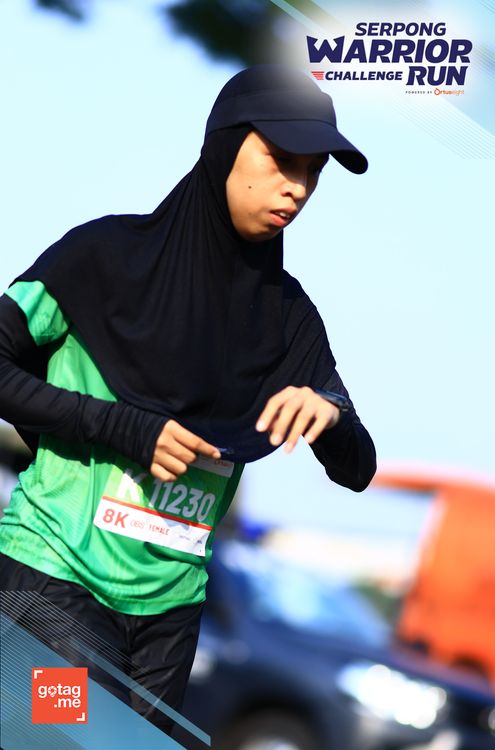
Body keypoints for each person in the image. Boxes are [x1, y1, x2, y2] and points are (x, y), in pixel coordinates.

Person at [0, 65, 376, 735]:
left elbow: (357, 467)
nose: (297, 186)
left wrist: (332, 417)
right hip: (50, 576)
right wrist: (124, 427)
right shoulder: (101, 258)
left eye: (312, 171)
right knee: (72, 738)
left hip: (170, 615)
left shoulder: (289, 321)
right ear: (225, 147)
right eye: (281, 159)